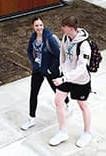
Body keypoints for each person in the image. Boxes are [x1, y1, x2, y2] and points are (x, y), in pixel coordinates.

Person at [50, 15, 93, 148]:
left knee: (83, 106)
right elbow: (62, 53)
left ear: (71, 28)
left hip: (80, 79)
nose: (62, 30)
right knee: (58, 101)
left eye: (64, 28)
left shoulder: (84, 44)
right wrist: (62, 68)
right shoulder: (65, 37)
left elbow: (82, 67)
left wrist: (65, 78)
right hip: (66, 75)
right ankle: (62, 132)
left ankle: (87, 133)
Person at [21, 15, 70, 130]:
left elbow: (58, 55)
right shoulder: (33, 37)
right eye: (37, 25)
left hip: (48, 71)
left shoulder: (49, 38)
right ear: (33, 26)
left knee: (56, 90)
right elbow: (29, 50)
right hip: (37, 70)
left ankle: (67, 103)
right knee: (33, 93)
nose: (39, 27)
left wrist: (50, 68)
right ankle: (31, 118)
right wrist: (34, 62)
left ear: (43, 25)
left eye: (41, 25)